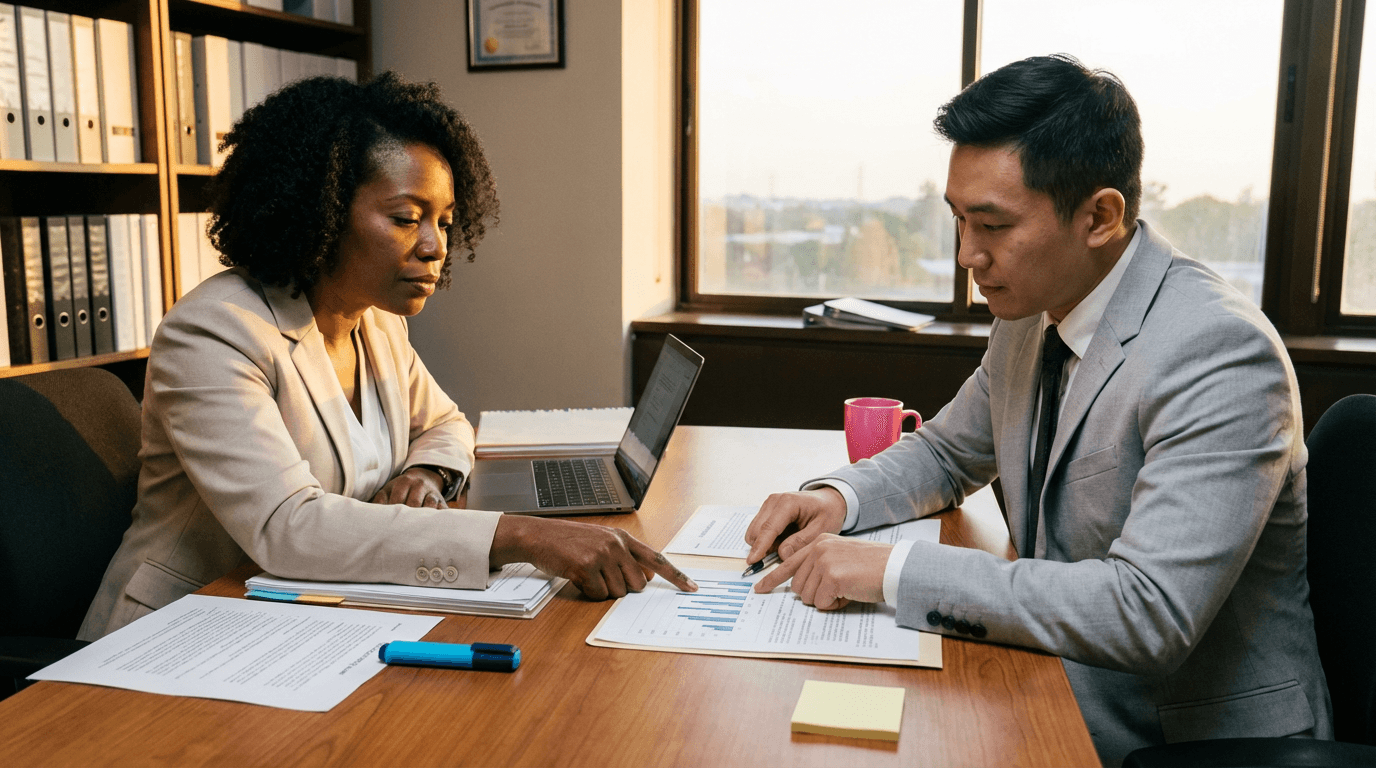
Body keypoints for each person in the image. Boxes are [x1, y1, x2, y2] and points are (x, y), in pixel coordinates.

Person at [744, 55, 1331, 765]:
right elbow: (947, 451)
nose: (967, 255)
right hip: (1045, 683)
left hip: (1182, 740)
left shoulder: (1220, 352)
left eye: (991, 225)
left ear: (1101, 216)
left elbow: (1149, 612)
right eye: (958, 221)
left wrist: (887, 572)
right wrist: (840, 498)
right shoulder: (1030, 314)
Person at [80, 72, 694, 640]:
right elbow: (288, 528)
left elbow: (448, 424)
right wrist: (520, 534)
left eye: (446, 221)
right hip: (182, 631)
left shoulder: (373, 320)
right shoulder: (214, 333)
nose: (434, 247)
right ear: (317, 209)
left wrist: (424, 474)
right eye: (406, 218)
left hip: (303, 615)